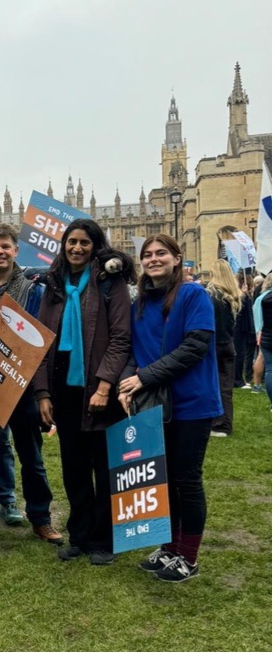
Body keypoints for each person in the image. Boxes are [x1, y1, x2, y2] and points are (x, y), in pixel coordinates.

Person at [118, 234, 223, 583]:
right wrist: (126, 382)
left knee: (186, 479)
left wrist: (144, 377)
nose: (153, 259)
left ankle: (188, 557)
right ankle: (169, 547)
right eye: (147, 255)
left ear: (177, 258)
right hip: (154, 404)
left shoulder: (194, 295)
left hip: (192, 402)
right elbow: (133, 350)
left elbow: (194, 347)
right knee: (161, 480)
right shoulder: (140, 305)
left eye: (161, 253)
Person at [32, 220, 133, 565]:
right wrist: (43, 393)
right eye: (71, 242)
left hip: (98, 388)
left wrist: (105, 385)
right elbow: (42, 342)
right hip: (65, 390)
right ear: (63, 245)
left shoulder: (109, 282)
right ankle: (80, 535)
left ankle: (105, 539)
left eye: (84, 243)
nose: (76, 248)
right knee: (74, 467)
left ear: (95, 246)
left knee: (104, 467)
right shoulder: (55, 285)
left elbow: (120, 338)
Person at [0, 224, 63, 546]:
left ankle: (41, 518)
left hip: (23, 386)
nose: (0, 252)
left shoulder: (33, 288)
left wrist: (42, 390)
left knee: (31, 457)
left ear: (16, 251)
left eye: (6, 246)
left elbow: (42, 339)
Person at [206, 260, 242, 437]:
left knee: (213, 386)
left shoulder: (211, 295)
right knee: (225, 388)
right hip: (228, 344)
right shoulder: (233, 295)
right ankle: (224, 424)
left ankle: (217, 424)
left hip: (213, 345)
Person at [252, 274, 271, 400]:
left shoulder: (261, 298)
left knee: (269, 368)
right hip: (265, 333)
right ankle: (257, 384)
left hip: (264, 334)